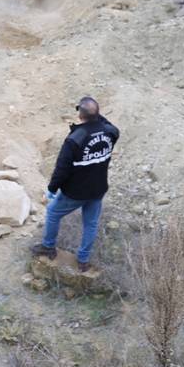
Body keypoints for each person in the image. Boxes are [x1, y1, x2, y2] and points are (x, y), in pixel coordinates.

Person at [30, 97, 120, 272]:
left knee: (53, 212)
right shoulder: (111, 132)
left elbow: (62, 168)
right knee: (91, 224)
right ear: (98, 114)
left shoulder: (75, 139)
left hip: (76, 192)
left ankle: (48, 247)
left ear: (80, 114)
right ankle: (83, 260)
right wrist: (96, 116)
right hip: (98, 189)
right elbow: (108, 125)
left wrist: (51, 189)